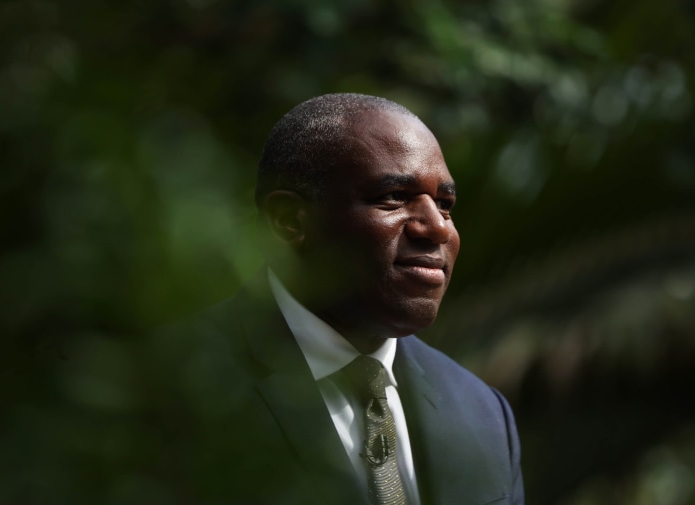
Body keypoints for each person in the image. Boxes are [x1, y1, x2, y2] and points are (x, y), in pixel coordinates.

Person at [157, 93, 524, 505]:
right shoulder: (164, 392)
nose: (438, 228)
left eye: (446, 204)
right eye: (394, 197)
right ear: (290, 221)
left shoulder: (484, 414)